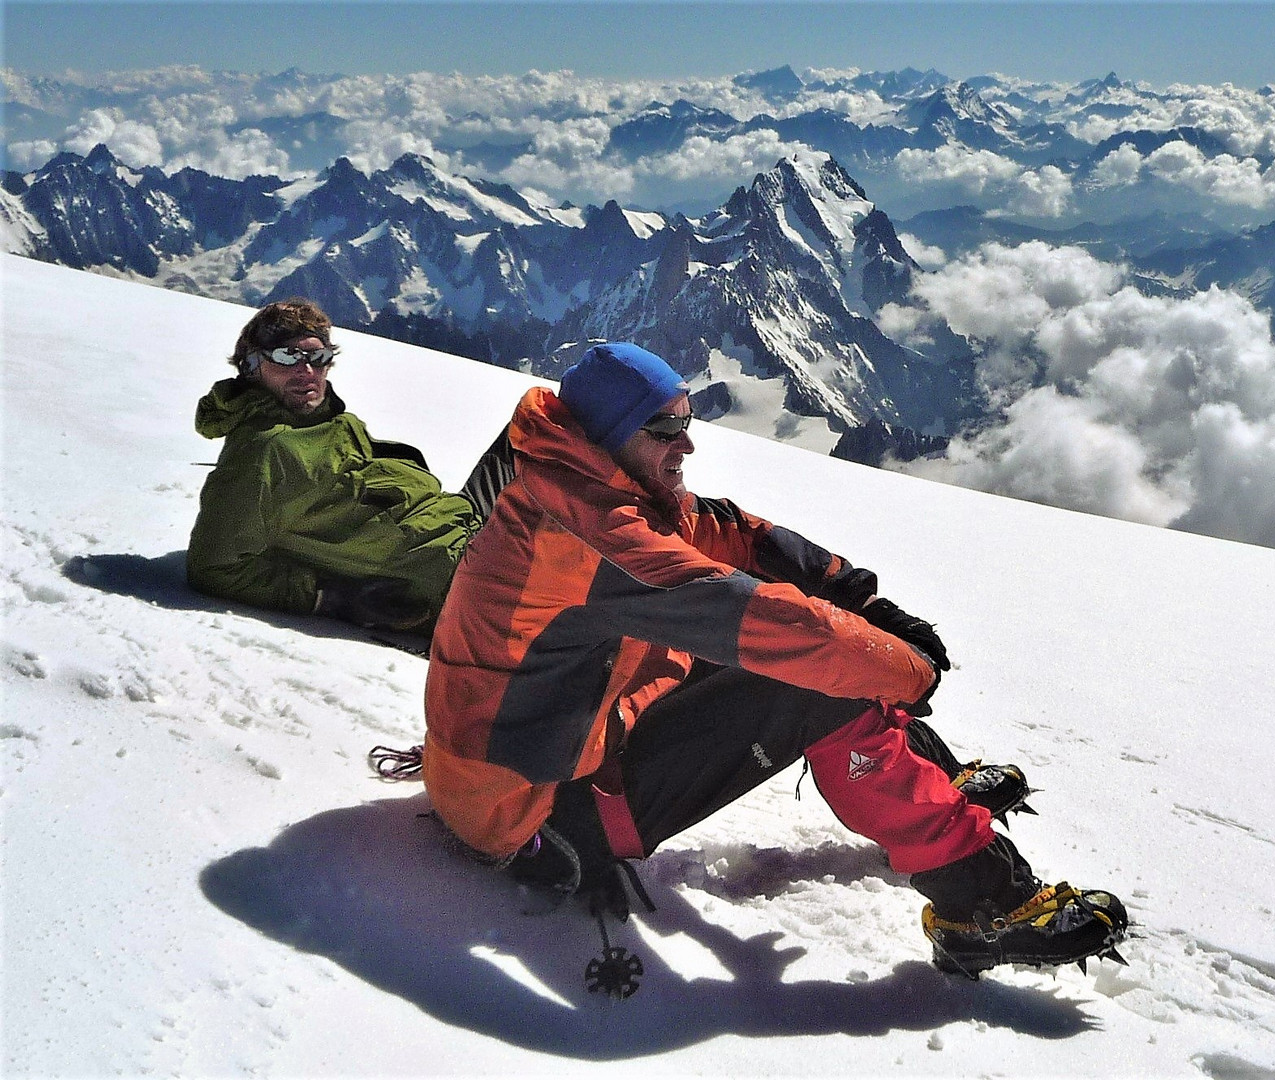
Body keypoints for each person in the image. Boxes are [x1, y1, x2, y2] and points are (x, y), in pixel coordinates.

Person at [421, 342, 1128, 979]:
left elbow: (728, 531)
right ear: (608, 435)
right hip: (538, 817)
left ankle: (930, 786)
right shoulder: (586, 538)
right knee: (822, 683)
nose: (687, 444)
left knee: (832, 659)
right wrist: (909, 670)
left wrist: (859, 599)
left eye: (685, 421)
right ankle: (982, 910)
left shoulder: (584, 488)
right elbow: (766, 623)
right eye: (664, 428)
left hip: (544, 760)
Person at [187, 298, 483, 633]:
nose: (307, 371)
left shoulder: (331, 421)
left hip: (473, 529)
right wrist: (332, 599)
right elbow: (212, 566)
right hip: (455, 575)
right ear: (252, 365)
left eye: (318, 357)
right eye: (287, 357)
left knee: (535, 420)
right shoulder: (268, 452)